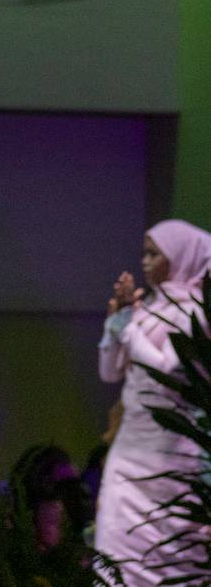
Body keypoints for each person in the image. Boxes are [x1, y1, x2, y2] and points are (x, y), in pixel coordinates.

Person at [95, 219, 211, 585]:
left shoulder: (197, 310)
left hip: (170, 447)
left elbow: (169, 369)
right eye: (144, 253)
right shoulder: (147, 308)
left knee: (170, 547)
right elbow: (110, 373)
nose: (144, 262)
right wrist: (118, 321)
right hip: (130, 446)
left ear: (180, 257)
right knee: (116, 543)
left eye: (153, 254)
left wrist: (129, 330)